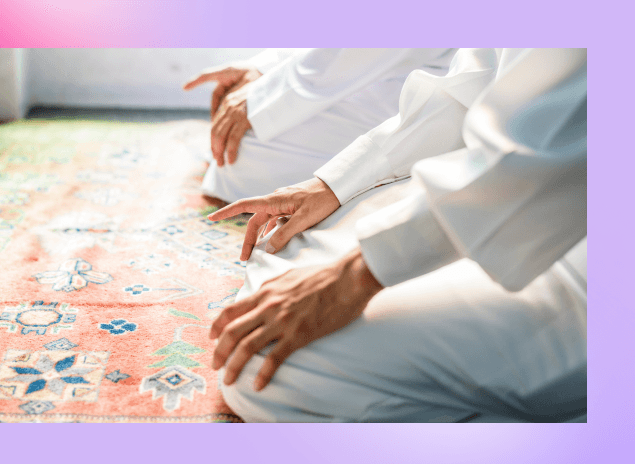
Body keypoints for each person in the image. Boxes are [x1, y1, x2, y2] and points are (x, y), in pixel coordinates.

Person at [207, 48, 587, 422]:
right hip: (502, 189)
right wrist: (331, 185)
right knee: (287, 242)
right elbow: (470, 85)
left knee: (264, 365)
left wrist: (356, 275)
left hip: (577, 244)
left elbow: (539, 161)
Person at [183, 48, 456, 202]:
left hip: (437, 86)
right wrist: (264, 68)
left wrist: (260, 98)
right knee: (238, 128)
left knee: (245, 148)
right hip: (384, 63)